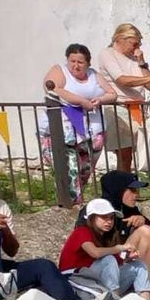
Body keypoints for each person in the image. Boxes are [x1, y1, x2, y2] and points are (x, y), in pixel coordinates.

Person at [97, 24, 150, 176]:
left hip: (139, 108)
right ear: (121, 39)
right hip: (120, 106)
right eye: (135, 43)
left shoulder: (135, 59)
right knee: (125, 152)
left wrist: (142, 63)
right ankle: (125, 190)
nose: (137, 47)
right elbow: (122, 80)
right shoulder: (108, 54)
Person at [43, 43, 112, 204]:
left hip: (92, 132)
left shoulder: (94, 74)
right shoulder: (60, 70)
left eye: (80, 62)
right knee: (69, 169)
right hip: (66, 130)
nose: (75, 65)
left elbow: (112, 94)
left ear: (88, 63)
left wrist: (100, 100)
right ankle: (70, 204)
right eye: (72, 61)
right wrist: (81, 101)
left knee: (84, 171)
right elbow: (53, 88)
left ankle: (76, 201)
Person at [0, 199, 77, 300]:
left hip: (2, 274)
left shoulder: (2, 206)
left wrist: (6, 231)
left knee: (44, 266)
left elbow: (12, 251)